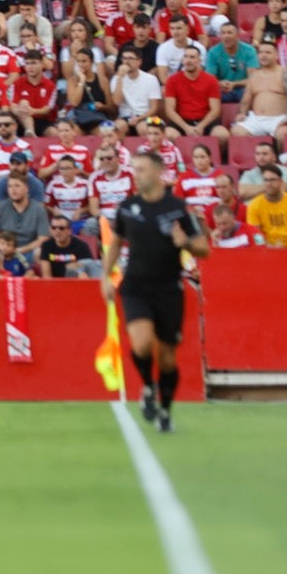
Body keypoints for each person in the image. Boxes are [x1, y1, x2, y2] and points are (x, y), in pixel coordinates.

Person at [101, 149, 210, 434]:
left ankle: (165, 410)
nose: (136, 175)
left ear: (158, 171)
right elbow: (116, 243)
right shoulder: (127, 207)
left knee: (167, 359)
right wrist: (105, 276)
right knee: (141, 344)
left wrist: (185, 242)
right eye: (134, 169)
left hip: (169, 289)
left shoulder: (178, 208)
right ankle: (148, 387)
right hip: (135, 286)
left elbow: (204, 250)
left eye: (142, 169)